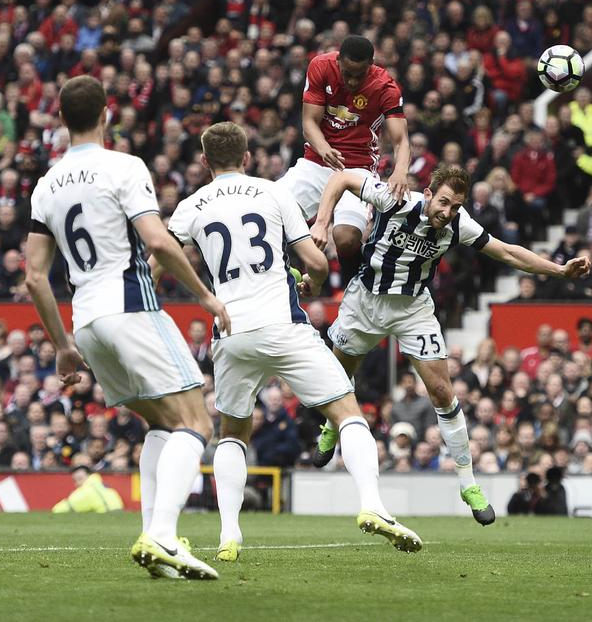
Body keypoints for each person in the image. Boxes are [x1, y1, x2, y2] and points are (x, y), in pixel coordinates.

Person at [161, 122, 420, 561]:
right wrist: (312, 281)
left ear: (204, 162)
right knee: (346, 412)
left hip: (231, 332)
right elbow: (315, 259)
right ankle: (373, 506)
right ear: (247, 158)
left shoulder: (190, 206)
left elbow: (161, 255)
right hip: (282, 325)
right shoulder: (271, 192)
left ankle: (229, 534)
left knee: (233, 433)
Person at [26, 75, 230, 581]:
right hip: (131, 306)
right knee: (197, 424)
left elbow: (33, 276)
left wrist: (62, 346)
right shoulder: (124, 166)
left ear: (59, 119)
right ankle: (161, 534)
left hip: (87, 322)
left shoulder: (46, 185)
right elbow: (158, 243)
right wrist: (204, 295)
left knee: (162, 423)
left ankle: (156, 548)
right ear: (106, 114)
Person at [307, 165, 592, 524]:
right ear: (427, 194)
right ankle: (332, 428)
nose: (448, 212)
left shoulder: (460, 225)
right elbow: (342, 178)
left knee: (442, 391)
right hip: (364, 302)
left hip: (412, 309)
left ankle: (468, 483)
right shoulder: (395, 199)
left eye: (455, 206)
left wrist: (559, 270)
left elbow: (507, 252)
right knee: (338, 382)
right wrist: (321, 222)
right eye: (443, 202)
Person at [276, 35, 412, 286]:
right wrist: (324, 148)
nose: (352, 80)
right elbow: (309, 122)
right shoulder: (320, 66)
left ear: (371, 65)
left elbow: (401, 139)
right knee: (270, 213)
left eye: (359, 75)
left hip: (359, 167)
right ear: (338, 60)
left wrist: (400, 171)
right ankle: (282, 280)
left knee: (346, 237)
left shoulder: (385, 87)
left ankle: (355, 292)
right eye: (347, 73)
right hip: (317, 161)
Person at [52, 463, 124, 513]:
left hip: (107, 518)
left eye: (78, 479)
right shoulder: (102, 484)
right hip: (120, 514)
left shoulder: (86, 491)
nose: (76, 484)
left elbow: (59, 510)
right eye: (75, 480)